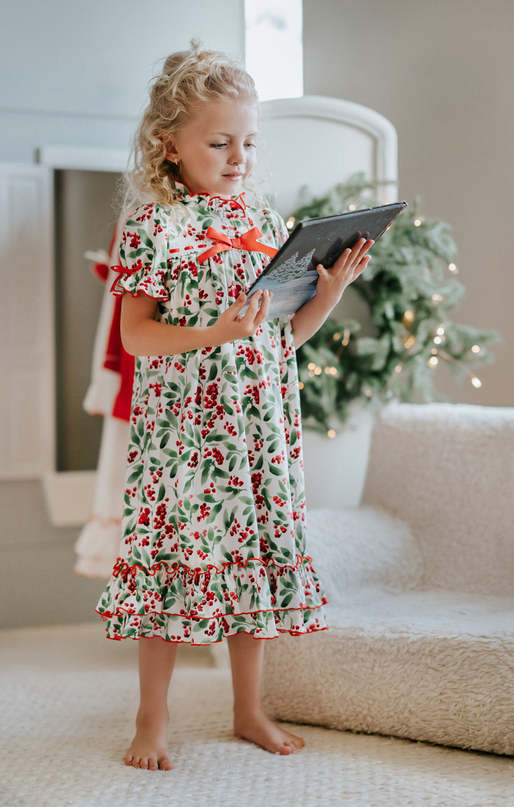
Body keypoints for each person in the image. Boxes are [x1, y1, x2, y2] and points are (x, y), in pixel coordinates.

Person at [96, 41, 373, 771]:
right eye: (219, 142)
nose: (237, 155)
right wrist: (214, 330)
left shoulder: (261, 218)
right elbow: (135, 336)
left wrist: (327, 295)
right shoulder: (154, 225)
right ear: (171, 145)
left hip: (258, 429)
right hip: (185, 437)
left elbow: (281, 340)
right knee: (171, 567)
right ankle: (150, 716)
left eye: (247, 142)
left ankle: (247, 706)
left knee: (249, 563)